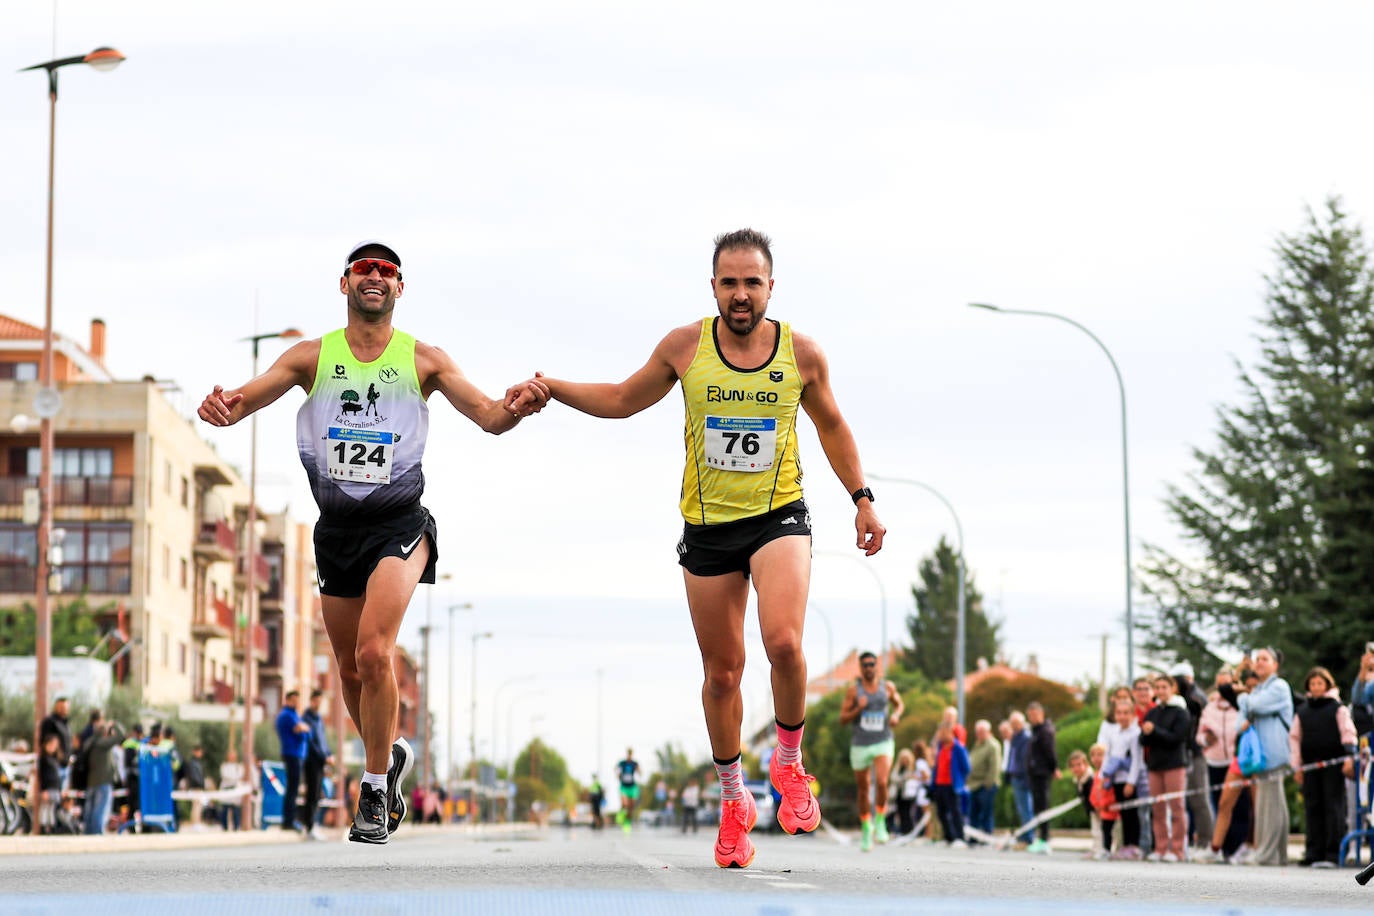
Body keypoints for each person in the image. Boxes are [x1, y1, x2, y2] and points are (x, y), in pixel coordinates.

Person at [520, 229, 885, 868]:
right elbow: (623, 399)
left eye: (752, 282)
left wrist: (862, 497)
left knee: (786, 644)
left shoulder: (802, 354)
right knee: (723, 674)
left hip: (780, 515)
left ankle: (791, 762)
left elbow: (831, 425)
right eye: (729, 282)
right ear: (713, 286)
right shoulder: (686, 347)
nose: (740, 294)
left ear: (771, 286)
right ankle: (733, 800)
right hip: (709, 529)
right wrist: (555, 388)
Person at [198, 240, 546, 845]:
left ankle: (376, 791)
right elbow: (246, 398)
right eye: (365, 269)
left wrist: (518, 408)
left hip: (400, 525)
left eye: (388, 271)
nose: (376, 277)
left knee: (374, 652)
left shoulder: (425, 361)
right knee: (350, 674)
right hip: (336, 531)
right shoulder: (312, 356)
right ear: (345, 283)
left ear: (399, 289)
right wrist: (221, 409)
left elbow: (489, 415)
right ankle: (392, 755)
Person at [1289, 666, 1356, 868]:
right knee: (1312, 807)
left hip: (1333, 766)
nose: (1316, 687)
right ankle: (1313, 852)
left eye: (1320, 683)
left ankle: (1333, 853)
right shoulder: (1302, 712)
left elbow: (1348, 734)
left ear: (1327, 685)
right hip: (1310, 766)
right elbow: (1294, 739)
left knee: (1333, 807)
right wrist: (1297, 767)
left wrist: (1349, 758)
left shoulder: (1338, 708)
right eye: (1313, 684)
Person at [840, 650, 905, 852]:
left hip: (882, 741)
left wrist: (896, 715)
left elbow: (899, 704)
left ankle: (880, 820)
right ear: (861, 668)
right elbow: (843, 719)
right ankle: (866, 828)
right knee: (864, 789)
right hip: (860, 743)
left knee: (883, 782)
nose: (869, 667)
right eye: (865, 665)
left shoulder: (887, 687)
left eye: (872, 664)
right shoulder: (853, 691)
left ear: (877, 666)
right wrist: (858, 709)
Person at [1237, 646, 1294, 867]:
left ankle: (1266, 854)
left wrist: (1243, 696)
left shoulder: (1278, 686)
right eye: (1257, 659)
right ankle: (1277, 854)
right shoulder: (1260, 688)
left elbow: (1252, 705)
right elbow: (1239, 722)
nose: (1259, 662)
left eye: (1264, 659)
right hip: (1261, 756)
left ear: (1275, 664)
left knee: (1270, 805)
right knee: (1272, 803)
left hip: (1274, 753)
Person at [1140, 673, 1190, 862]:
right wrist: (1146, 733)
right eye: (1158, 687)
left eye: (1164, 687)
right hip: (1155, 765)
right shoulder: (1152, 712)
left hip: (1174, 765)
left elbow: (1177, 738)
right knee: (1158, 808)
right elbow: (1143, 740)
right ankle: (1160, 847)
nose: (1161, 691)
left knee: (1176, 807)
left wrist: (1155, 731)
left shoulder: (1180, 712)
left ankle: (1177, 850)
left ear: (1172, 688)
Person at [1171, 661, 1215, 853]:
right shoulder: (1177, 700)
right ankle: (1189, 839)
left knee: (1200, 798)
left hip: (1196, 753)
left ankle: (1206, 840)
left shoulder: (1196, 699)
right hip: (1181, 754)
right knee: (1184, 800)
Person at [1099, 697, 1144, 860]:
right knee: (1123, 814)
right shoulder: (1114, 733)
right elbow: (1108, 755)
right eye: (1119, 713)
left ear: (1132, 715)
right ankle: (1125, 845)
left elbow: (1136, 760)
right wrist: (1104, 775)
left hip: (1128, 779)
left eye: (1126, 713)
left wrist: (1131, 782)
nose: (1122, 716)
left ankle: (1134, 844)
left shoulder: (1135, 733)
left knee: (1132, 813)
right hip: (1115, 778)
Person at [1024, 702, 1059, 854]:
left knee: (1043, 806)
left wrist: (1054, 768)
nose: (1032, 718)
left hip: (1042, 773)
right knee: (1037, 807)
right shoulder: (1034, 731)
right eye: (1029, 715)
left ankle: (1045, 838)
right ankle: (1041, 837)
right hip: (1033, 773)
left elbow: (1050, 751)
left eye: (1034, 715)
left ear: (1041, 713)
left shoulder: (1045, 731)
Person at [274, 690, 311, 832]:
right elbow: (301, 729)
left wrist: (303, 729)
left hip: (298, 754)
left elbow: (306, 730)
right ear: (288, 700)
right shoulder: (286, 715)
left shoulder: (295, 715)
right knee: (292, 789)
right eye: (294, 700)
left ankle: (290, 820)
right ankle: (288, 821)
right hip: (292, 753)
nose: (297, 703)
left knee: (294, 789)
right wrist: (303, 729)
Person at [929, 722, 969, 848]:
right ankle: (949, 837)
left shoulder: (958, 748)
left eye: (943, 733)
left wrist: (959, 780)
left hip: (952, 785)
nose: (940, 735)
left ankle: (959, 837)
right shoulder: (940, 748)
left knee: (955, 812)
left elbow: (966, 767)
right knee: (941, 813)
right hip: (939, 784)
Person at [81, 720, 124, 835]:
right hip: (103, 781)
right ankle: (97, 833)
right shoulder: (103, 743)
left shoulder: (89, 743)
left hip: (91, 781)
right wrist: (113, 724)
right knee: (100, 809)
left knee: (90, 810)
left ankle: (88, 832)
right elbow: (121, 735)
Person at [301, 689, 333, 838]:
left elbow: (323, 741)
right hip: (311, 760)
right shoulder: (306, 718)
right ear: (312, 700)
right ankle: (309, 826)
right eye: (317, 701)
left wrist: (328, 754)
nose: (319, 704)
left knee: (318, 793)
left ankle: (313, 823)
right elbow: (311, 742)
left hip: (320, 761)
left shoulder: (319, 719)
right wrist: (323, 756)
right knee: (312, 793)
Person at [966, 719, 1001, 842]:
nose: (979, 734)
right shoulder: (977, 745)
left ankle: (986, 837)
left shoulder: (992, 745)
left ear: (988, 731)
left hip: (985, 785)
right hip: (974, 784)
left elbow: (994, 767)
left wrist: (988, 784)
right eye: (978, 732)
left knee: (986, 814)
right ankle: (974, 838)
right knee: (973, 813)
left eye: (982, 732)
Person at [1005, 711, 1034, 846]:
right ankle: (1024, 834)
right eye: (1012, 724)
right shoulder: (1015, 737)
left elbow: (1025, 760)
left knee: (1026, 808)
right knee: (1021, 808)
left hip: (1023, 777)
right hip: (1015, 776)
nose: (1014, 726)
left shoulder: (1026, 737)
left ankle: (1029, 836)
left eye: (1016, 723)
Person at [39, 696, 73, 787]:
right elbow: (45, 743)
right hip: (54, 767)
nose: (63, 709)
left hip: (65, 766)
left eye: (65, 707)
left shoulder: (66, 724)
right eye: (61, 707)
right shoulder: (50, 722)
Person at [889, 748, 919, 837]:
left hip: (908, 795)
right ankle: (902, 831)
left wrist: (904, 778)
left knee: (908, 813)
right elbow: (893, 778)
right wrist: (904, 778)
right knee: (900, 813)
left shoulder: (912, 768)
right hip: (898, 794)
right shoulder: (898, 768)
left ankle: (909, 831)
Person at [218, 746, 245, 831]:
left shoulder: (238, 766)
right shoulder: (224, 766)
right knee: (225, 809)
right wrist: (233, 778)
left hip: (235, 791)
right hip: (226, 789)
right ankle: (224, 827)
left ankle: (236, 827)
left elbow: (240, 776)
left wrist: (234, 779)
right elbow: (225, 775)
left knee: (236, 811)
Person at [616, 748, 641, 833]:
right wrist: (618, 775)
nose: (629, 755)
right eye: (628, 753)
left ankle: (627, 822)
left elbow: (639, 771)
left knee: (631, 806)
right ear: (626, 754)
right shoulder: (622, 763)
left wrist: (639, 771)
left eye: (631, 754)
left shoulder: (634, 763)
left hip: (632, 787)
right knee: (625, 804)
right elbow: (617, 770)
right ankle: (620, 815)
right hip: (624, 787)